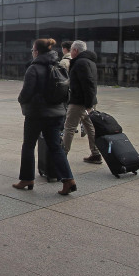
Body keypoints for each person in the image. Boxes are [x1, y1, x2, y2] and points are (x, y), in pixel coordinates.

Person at [13, 38, 77, 196]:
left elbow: (26, 93)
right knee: (55, 147)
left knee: (28, 145)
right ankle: (68, 179)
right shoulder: (59, 65)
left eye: (33, 50)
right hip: (56, 114)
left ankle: (27, 178)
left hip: (36, 114)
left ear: (37, 51)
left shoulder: (33, 68)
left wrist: (21, 100)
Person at [63, 40, 102, 164]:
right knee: (89, 127)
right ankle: (96, 153)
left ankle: (61, 156)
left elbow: (88, 84)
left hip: (79, 102)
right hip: (88, 100)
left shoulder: (80, 63)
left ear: (75, 50)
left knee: (69, 127)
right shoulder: (90, 62)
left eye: (71, 50)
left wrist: (88, 105)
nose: (70, 53)